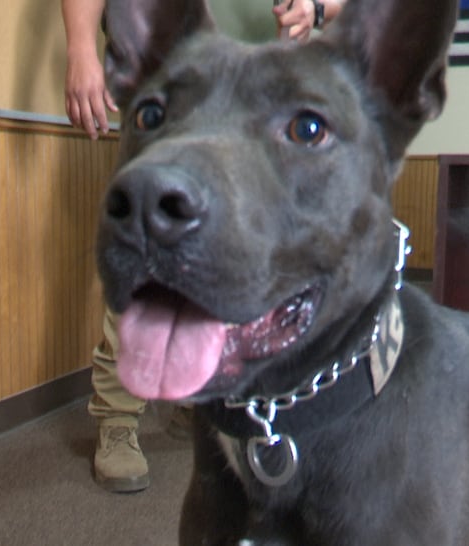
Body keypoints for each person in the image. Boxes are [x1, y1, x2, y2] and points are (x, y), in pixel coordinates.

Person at [60, 0, 345, 493]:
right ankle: (118, 420)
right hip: (177, 84)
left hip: (267, 102)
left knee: (235, 263)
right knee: (147, 251)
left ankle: (199, 397)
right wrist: (82, 49)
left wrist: (318, 7)